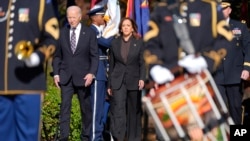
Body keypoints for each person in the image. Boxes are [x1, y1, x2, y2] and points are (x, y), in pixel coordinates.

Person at [143, 0, 233, 140]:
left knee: (210, 135)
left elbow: (225, 38)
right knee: (174, 135)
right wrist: (155, 67)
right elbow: (151, 42)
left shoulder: (208, 7)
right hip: (171, 88)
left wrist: (206, 60)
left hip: (203, 85)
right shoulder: (162, 9)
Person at [0, 1, 59, 141]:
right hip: (1, 84)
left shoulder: (40, 3)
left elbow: (52, 36)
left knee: (28, 136)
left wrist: (38, 56)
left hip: (29, 84)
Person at [52, 5, 99, 141]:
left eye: (73, 17)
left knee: (86, 110)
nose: (71, 20)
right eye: (69, 17)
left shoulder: (89, 33)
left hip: (84, 77)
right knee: (65, 109)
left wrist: (91, 73)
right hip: (65, 77)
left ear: (79, 17)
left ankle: (85, 137)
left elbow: (94, 56)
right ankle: (64, 137)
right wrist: (56, 73)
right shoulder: (62, 32)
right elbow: (57, 56)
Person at [107, 17, 146, 141]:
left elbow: (142, 63)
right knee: (118, 109)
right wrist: (109, 85)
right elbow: (111, 64)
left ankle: (133, 137)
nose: (126, 28)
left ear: (132, 27)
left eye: (128, 25)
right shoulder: (114, 43)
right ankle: (118, 137)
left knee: (133, 110)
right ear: (121, 28)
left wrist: (142, 78)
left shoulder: (139, 42)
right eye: (123, 25)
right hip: (118, 81)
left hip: (134, 80)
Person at [212, 0, 250, 125]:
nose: (222, 11)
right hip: (217, 75)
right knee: (218, 110)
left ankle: (238, 135)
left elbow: (248, 49)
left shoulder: (240, 27)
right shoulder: (210, 28)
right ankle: (221, 137)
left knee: (235, 109)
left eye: (225, 9)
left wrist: (246, 68)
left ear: (229, 10)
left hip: (235, 75)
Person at [87, 6, 114, 141]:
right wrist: (115, 36)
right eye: (101, 15)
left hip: (103, 72)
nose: (104, 18)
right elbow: (106, 44)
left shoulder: (101, 31)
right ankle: (94, 137)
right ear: (94, 17)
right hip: (97, 72)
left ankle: (99, 135)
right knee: (96, 109)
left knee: (103, 108)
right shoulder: (92, 31)